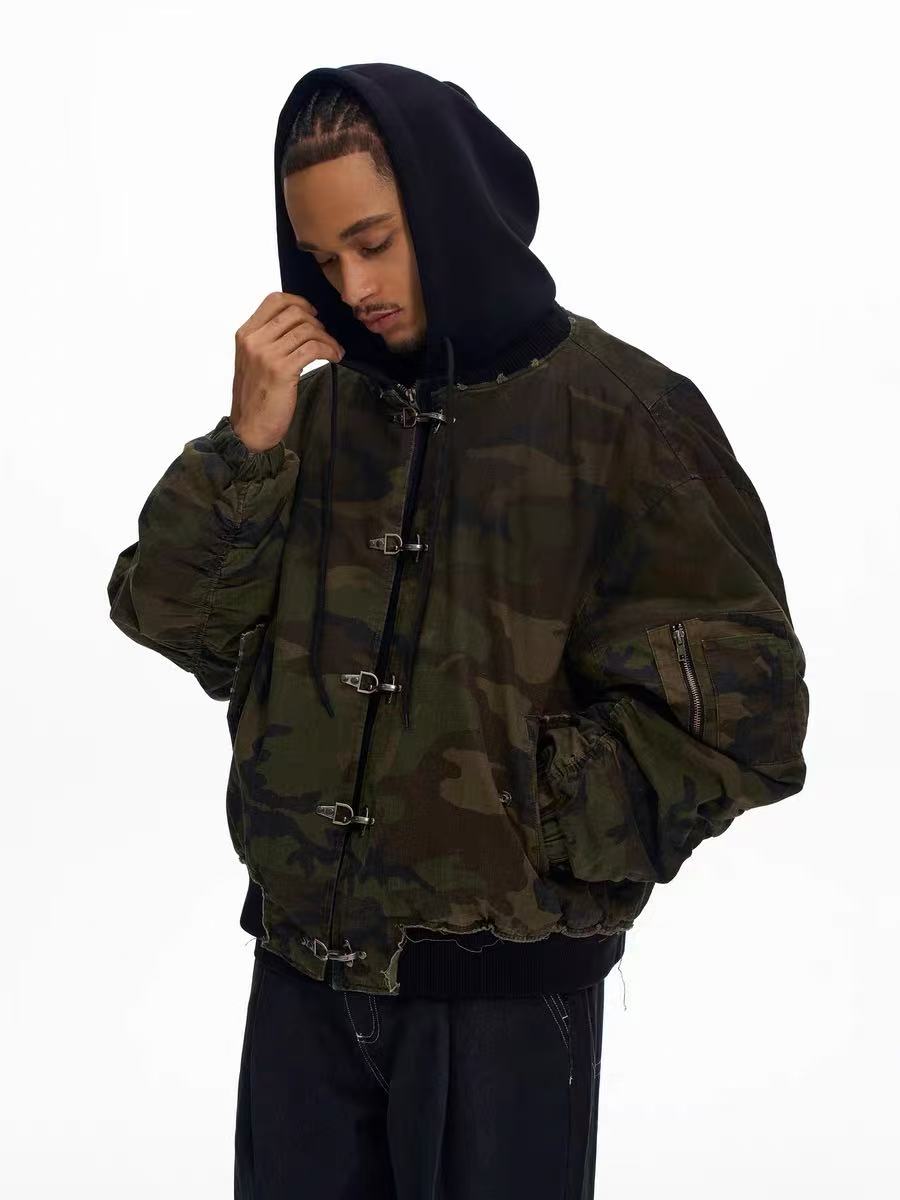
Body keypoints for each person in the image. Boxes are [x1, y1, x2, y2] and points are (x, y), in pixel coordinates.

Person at [107, 63, 809, 1199]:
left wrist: (527, 813)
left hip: (504, 1000)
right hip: (300, 979)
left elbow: (748, 715)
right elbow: (176, 619)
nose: (353, 287)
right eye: (322, 258)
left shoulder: (627, 418)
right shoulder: (311, 416)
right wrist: (248, 443)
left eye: (376, 243)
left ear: (450, 207)